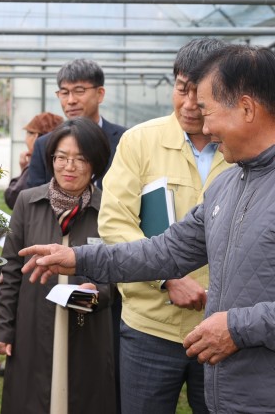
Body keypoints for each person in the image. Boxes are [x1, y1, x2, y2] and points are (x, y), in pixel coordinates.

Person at [18, 44, 275, 413]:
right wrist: (78, 257)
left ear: (247, 108)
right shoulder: (231, 183)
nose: (203, 126)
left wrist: (239, 328)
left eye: (208, 111)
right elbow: (167, 251)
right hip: (232, 389)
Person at [99, 38, 230, 414]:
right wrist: (167, 277)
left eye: (200, 93)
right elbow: (114, 221)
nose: (188, 104)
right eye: (180, 88)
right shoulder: (140, 141)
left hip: (223, 328)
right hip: (150, 326)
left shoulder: (242, 149)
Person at [0, 117, 117, 414]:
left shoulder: (109, 210)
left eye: (80, 159)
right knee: (32, 397)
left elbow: (118, 274)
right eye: (61, 157)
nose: (69, 166)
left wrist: (96, 294)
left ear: (96, 163)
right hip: (34, 322)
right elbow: (10, 271)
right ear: (50, 160)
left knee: (82, 397)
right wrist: (2, 327)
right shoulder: (28, 202)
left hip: (89, 330)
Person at [26, 58, 126, 189]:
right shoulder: (43, 144)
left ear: (100, 94)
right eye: (64, 93)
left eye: (79, 91)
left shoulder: (125, 140)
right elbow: (34, 199)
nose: (71, 100)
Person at [4, 112, 64, 209]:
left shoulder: (37, 164)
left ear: (35, 136)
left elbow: (12, 198)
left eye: (28, 133)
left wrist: (24, 170)